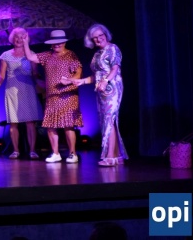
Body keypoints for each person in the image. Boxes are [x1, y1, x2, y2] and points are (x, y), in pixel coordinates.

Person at [71, 24, 128, 166]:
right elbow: (95, 76)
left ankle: (110, 157)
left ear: (105, 34)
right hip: (101, 89)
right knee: (107, 120)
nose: (98, 39)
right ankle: (117, 156)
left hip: (112, 87)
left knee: (109, 119)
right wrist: (81, 81)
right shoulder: (97, 54)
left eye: (100, 35)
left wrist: (106, 81)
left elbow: (115, 69)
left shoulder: (113, 48)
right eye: (94, 38)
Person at [23, 29, 83, 164]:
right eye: (55, 42)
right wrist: (26, 43)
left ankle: (72, 154)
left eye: (60, 42)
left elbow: (78, 73)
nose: (57, 44)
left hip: (67, 95)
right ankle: (55, 153)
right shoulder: (47, 55)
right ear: (51, 43)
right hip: (52, 96)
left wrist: (70, 80)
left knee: (68, 125)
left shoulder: (71, 55)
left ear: (64, 42)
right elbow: (31, 57)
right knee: (51, 125)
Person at [0, 27, 43, 160]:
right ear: (12, 39)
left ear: (26, 39)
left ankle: (32, 150)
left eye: (22, 37)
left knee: (30, 122)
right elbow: (1, 74)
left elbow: (35, 73)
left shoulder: (31, 54)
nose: (18, 39)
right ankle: (16, 151)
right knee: (13, 122)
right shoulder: (5, 55)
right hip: (12, 90)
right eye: (16, 37)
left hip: (28, 89)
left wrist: (41, 82)